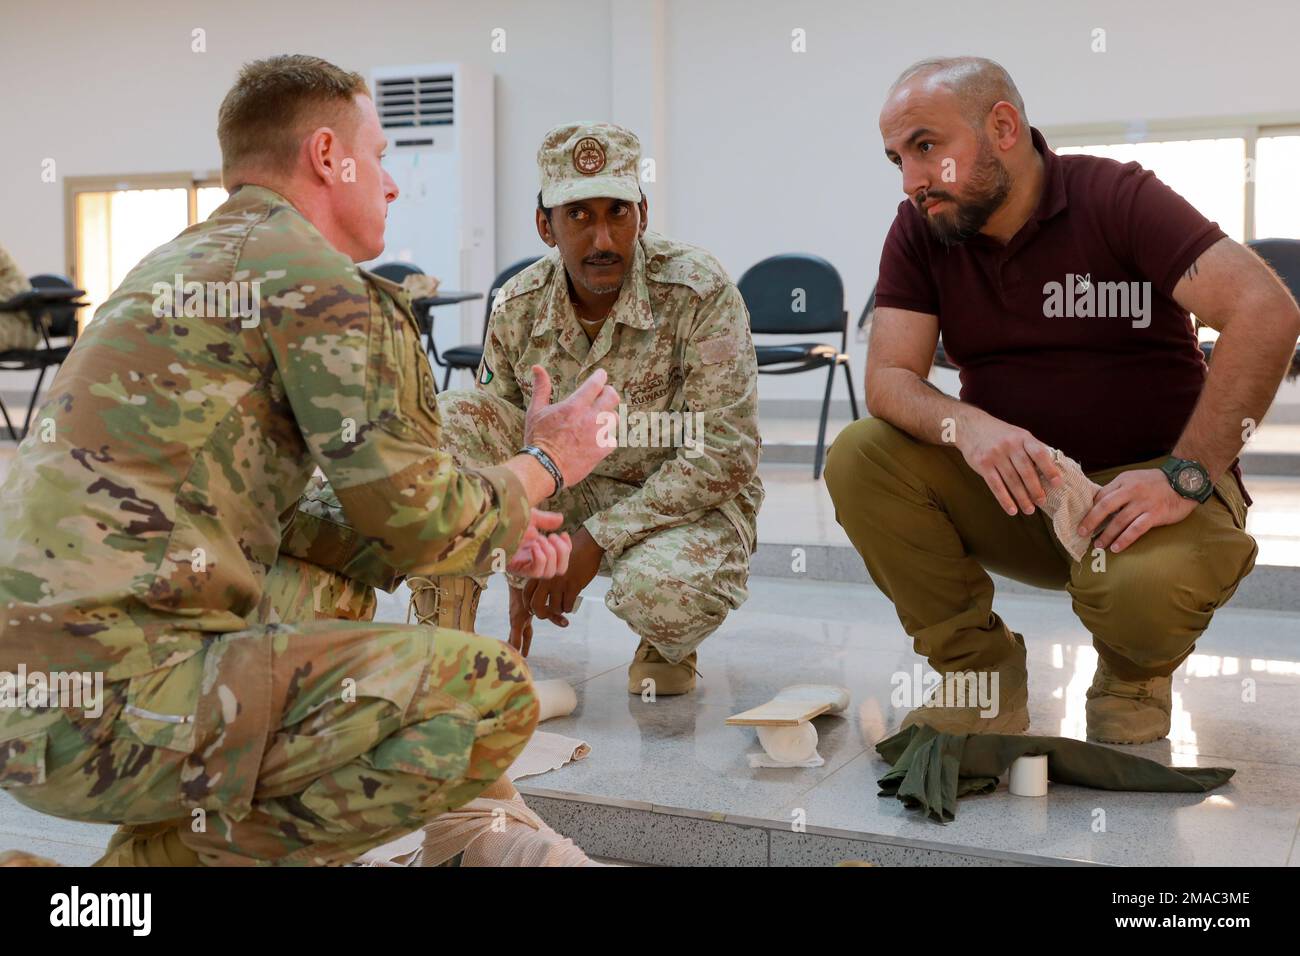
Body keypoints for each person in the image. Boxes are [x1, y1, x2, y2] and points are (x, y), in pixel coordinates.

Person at [0, 54, 617, 865]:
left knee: (325, 583)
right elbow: (420, 519)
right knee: (486, 696)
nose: (391, 185)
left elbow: (339, 526)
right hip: (114, 707)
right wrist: (548, 458)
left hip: (36, 709)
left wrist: (498, 520)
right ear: (329, 156)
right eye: (382, 156)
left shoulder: (174, 267)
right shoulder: (313, 281)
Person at [826, 56, 1300, 744]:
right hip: (1023, 492)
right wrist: (971, 428)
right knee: (861, 456)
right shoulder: (921, 229)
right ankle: (979, 676)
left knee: (1140, 595)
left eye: (927, 148)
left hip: (1143, 498)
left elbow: (1267, 309)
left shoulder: (1116, 197)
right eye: (897, 158)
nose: (912, 181)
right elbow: (889, 379)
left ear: (1004, 126)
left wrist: (1186, 475)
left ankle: (1133, 674)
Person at [411, 122, 764, 696]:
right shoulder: (518, 304)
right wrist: (508, 545)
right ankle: (445, 635)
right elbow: (492, 444)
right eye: (578, 215)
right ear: (544, 226)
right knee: (452, 418)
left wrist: (593, 539)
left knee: (664, 595)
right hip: (562, 488)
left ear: (642, 215)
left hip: (676, 500)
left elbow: (725, 453)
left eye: (617, 212)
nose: (603, 238)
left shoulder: (698, 290)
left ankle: (663, 639)